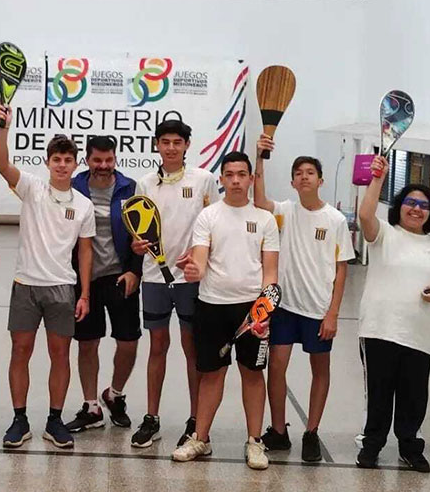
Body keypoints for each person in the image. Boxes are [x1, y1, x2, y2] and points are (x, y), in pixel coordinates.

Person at [0, 105, 95, 450]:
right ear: (48, 162)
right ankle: (19, 420)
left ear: (76, 164)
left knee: (60, 354)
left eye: (68, 160)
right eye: (56, 159)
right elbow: (1, 164)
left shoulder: (84, 205)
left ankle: (55, 420)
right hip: (25, 285)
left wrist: (84, 294)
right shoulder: (32, 188)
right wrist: (3, 129)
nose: (62, 165)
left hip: (63, 289)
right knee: (20, 351)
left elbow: (85, 252)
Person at [172, 152, 279, 469]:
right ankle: (200, 439)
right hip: (212, 307)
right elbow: (200, 260)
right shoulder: (208, 216)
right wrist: (194, 270)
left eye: (241, 174)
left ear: (251, 179)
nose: (235, 180)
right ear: (221, 179)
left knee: (253, 374)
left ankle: (255, 442)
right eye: (229, 175)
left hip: (252, 311)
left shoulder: (265, 220)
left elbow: (270, 271)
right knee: (211, 375)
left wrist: (264, 310)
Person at [253, 139, 353, 462]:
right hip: (284, 308)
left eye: (310, 172)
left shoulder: (336, 220)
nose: (304, 176)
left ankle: (311, 431)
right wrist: (260, 158)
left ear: (320, 180)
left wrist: (333, 313)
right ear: (293, 182)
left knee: (319, 369)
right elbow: (259, 201)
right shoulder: (284, 212)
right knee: (276, 367)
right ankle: (279, 431)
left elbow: (341, 269)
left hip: (318, 310)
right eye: (299, 173)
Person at [356, 155, 430, 472]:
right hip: (379, 329)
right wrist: (377, 178)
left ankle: (410, 448)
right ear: (399, 206)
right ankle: (372, 445)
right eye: (410, 202)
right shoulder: (384, 234)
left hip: (419, 334)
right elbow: (365, 214)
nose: (416, 209)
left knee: (414, 397)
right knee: (379, 394)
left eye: (423, 205)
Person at [129, 118, 219, 449]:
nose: (171, 147)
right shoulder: (145, 183)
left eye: (177, 142)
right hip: (154, 278)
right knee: (157, 346)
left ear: (186, 146)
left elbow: (215, 226)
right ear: (157, 145)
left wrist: (199, 258)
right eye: (165, 142)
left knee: (191, 348)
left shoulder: (204, 180)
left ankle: (195, 420)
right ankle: (152, 417)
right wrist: (137, 246)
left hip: (190, 279)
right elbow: (138, 230)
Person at [65, 136, 142, 433]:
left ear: (115, 159)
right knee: (88, 343)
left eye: (109, 160)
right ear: (87, 160)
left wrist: (134, 271)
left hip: (120, 276)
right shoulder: (73, 187)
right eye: (97, 160)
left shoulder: (129, 188)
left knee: (128, 342)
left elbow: (142, 232)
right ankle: (91, 407)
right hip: (84, 280)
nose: (103, 165)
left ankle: (114, 395)